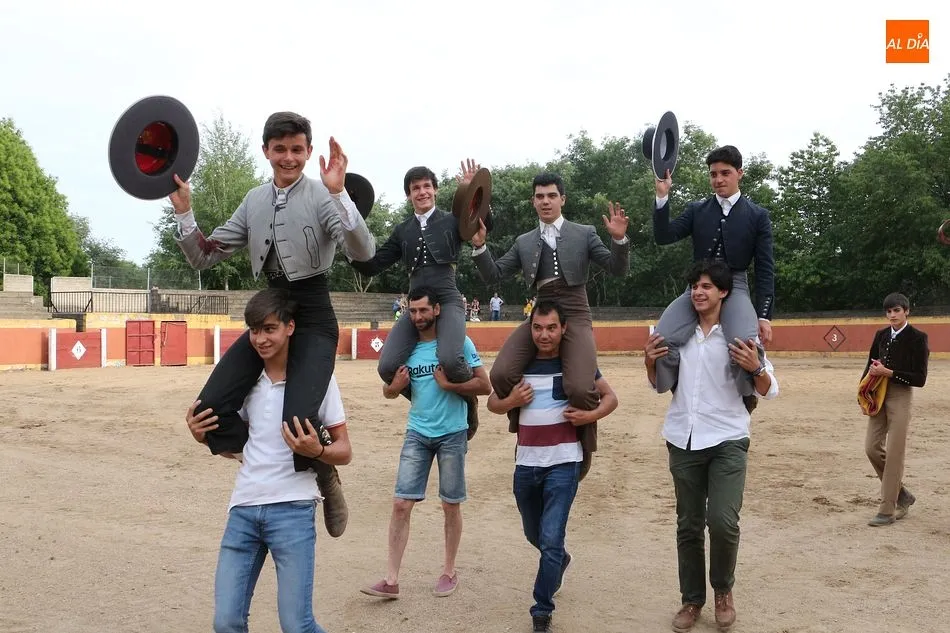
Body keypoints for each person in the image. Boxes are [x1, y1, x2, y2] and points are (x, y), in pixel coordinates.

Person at [170, 111, 375, 538]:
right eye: (279, 149)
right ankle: (278, 459)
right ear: (266, 151)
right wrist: (186, 214)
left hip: (315, 316)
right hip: (271, 313)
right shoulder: (254, 200)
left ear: (308, 152)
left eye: (296, 149)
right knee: (207, 412)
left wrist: (340, 195)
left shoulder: (322, 195)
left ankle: (323, 471)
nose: (288, 157)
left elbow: (362, 252)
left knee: (298, 419)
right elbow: (205, 255)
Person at [185, 287, 353, 633]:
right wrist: (202, 437)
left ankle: (326, 477)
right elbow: (243, 449)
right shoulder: (245, 385)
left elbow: (345, 450)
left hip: (292, 508)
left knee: (297, 626)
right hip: (244, 507)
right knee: (226, 622)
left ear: (290, 327)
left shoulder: (318, 382)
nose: (260, 339)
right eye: (254, 330)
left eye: (269, 328)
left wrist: (319, 453)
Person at [643, 260, 779, 633]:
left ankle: (722, 591)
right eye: (693, 286)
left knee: (722, 521)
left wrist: (756, 367)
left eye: (706, 286)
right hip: (683, 438)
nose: (698, 292)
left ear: (723, 292)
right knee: (688, 525)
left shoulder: (740, 336)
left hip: (728, 438)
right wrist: (649, 363)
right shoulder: (680, 335)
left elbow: (770, 390)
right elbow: (658, 384)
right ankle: (691, 600)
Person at [470, 172, 630, 479]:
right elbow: (493, 274)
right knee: (501, 374)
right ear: (533, 201)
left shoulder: (583, 233)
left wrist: (619, 239)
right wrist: (479, 247)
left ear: (562, 199)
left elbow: (616, 269)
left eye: (551, 196)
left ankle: (583, 449)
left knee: (580, 387)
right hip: (541, 311)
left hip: (575, 309)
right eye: (540, 196)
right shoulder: (524, 241)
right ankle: (524, 430)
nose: (545, 201)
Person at [487, 300, 618, 633]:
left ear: (563, 329)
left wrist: (589, 416)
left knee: (549, 538)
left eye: (551, 328)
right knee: (535, 534)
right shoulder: (521, 366)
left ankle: (542, 608)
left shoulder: (575, 366)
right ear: (529, 329)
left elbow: (610, 398)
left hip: (564, 464)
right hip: (526, 464)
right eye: (537, 327)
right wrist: (511, 402)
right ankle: (560, 558)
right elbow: (492, 403)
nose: (544, 335)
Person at [361, 286, 491, 600]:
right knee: (401, 504)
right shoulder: (406, 350)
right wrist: (394, 387)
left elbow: (485, 385)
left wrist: (448, 383)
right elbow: (389, 393)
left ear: (436, 310)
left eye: (423, 310)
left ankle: (449, 570)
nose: (418, 316)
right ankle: (391, 579)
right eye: (413, 311)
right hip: (417, 432)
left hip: (452, 432)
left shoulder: (458, 344)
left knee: (450, 504)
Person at [350, 162, 481, 425]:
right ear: (408, 195)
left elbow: (483, 222)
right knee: (387, 367)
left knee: (452, 361)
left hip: (447, 298)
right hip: (417, 304)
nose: (422, 192)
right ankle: (422, 398)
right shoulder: (402, 230)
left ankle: (468, 402)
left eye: (426, 186)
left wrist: (472, 192)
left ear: (436, 190)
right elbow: (374, 265)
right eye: (415, 188)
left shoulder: (453, 220)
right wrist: (348, 245)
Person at [652, 145, 774, 409]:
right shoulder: (698, 210)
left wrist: (764, 315)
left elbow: (765, 268)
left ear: (739, 173)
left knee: (744, 343)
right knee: (661, 337)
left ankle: (746, 393)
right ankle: (676, 387)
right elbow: (664, 236)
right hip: (698, 284)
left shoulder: (758, 216)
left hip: (736, 284)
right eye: (713, 174)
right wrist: (662, 197)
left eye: (725, 173)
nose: (718, 179)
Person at [861, 292, 929, 527]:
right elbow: (870, 365)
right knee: (871, 448)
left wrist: (890, 373)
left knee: (895, 453)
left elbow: (920, 379)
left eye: (897, 310)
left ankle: (888, 509)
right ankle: (902, 495)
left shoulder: (918, 338)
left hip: (901, 396)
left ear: (906, 311)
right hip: (878, 393)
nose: (892, 315)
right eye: (889, 311)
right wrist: (863, 393)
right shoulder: (881, 335)